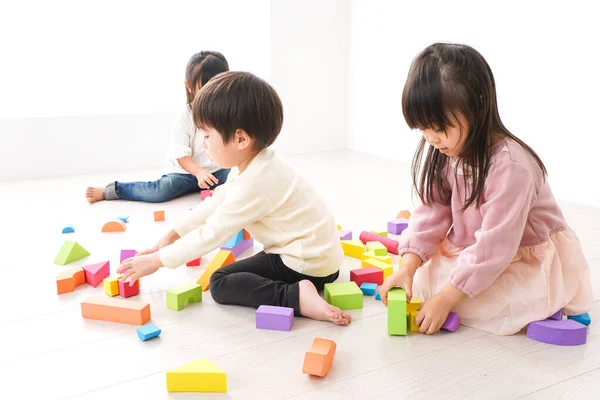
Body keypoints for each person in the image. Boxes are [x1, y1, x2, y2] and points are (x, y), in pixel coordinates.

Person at [380, 43, 592, 335]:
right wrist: (407, 267)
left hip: (518, 254)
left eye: (439, 127)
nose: (430, 138)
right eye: (423, 129)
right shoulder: (445, 152)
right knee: (422, 282)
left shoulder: (511, 166)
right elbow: (432, 213)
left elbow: (496, 245)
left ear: (477, 106)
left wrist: (447, 298)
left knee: (467, 299)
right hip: (477, 249)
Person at [116, 71, 351, 326]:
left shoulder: (254, 183)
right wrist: (170, 236)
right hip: (324, 261)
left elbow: (212, 234)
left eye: (207, 135)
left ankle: (295, 297)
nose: (204, 145)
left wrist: (156, 261)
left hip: (306, 265)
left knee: (220, 282)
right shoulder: (257, 165)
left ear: (240, 139)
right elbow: (216, 203)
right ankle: (302, 289)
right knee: (239, 268)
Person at [85, 51, 231, 203]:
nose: (210, 95)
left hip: (217, 172)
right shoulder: (185, 117)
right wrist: (199, 172)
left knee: (240, 179)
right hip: (184, 173)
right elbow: (181, 155)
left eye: (216, 88)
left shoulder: (229, 114)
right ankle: (113, 190)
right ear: (189, 86)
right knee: (160, 191)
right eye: (204, 89)